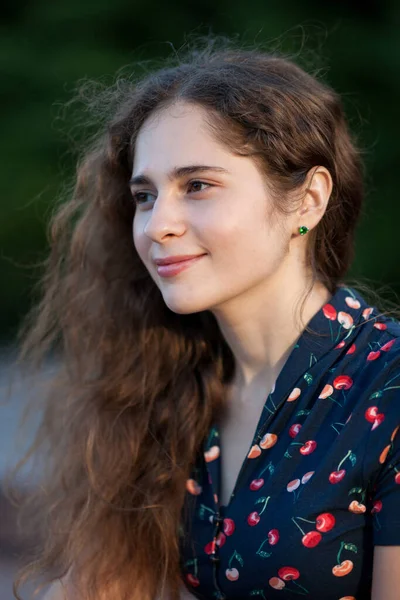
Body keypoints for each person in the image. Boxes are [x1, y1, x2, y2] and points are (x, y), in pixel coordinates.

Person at [11, 37, 400, 600]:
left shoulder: (386, 389)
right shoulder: (166, 379)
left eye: (197, 186)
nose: (156, 225)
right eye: (145, 196)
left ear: (307, 200)